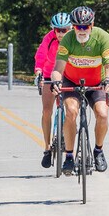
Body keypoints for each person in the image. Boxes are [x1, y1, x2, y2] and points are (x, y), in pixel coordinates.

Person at [50, 6, 109, 175]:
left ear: (91, 24)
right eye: (77, 26)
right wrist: (56, 82)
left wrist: (108, 79)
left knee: (102, 114)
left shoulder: (102, 37)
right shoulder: (68, 40)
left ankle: (98, 151)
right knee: (71, 111)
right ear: (73, 26)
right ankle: (70, 156)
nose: (81, 30)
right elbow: (58, 69)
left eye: (85, 26)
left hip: (96, 82)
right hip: (72, 81)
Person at [34, 13, 72, 169]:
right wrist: (38, 72)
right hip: (50, 75)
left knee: (71, 110)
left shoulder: (74, 39)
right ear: (54, 30)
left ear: (70, 28)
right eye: (58, 30)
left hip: (69, 76)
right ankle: (47, 148)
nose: (61, 33)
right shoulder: (49, 38)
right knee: (47, 111)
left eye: (64, 30)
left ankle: (70, 147)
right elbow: (41, 56)